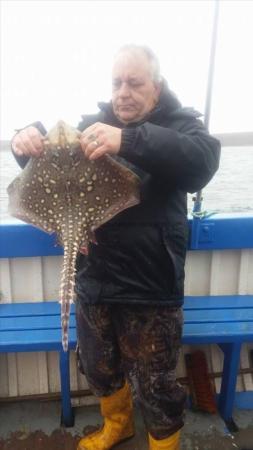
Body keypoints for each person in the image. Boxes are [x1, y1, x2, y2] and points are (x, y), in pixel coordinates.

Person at [12, 45, 220, 450]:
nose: (122, 92)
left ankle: (163, 442)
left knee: (156, 382)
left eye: (134, 82)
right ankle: (117, 425)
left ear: (156, 89)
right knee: (98, 365)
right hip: (96, 280)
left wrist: (127, 140)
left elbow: (201, 162)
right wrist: (28, 138)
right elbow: (58, 169)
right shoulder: (91, 126)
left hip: (151, 285)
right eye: (116, 83)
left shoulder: (182, 126)